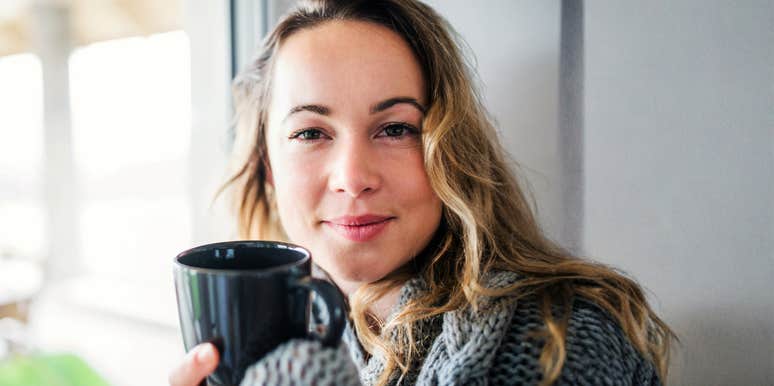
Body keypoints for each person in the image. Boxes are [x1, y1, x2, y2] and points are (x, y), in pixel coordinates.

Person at [170, 0, 677, 385]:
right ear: (267, 167)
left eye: (394, 129)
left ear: (448, 146)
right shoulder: (290, 354)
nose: (353, 176)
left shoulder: (561, 345)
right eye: (310, 133)